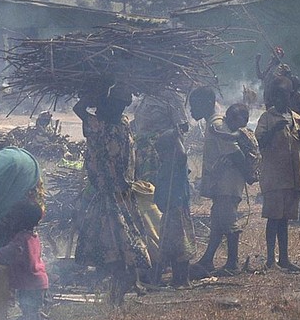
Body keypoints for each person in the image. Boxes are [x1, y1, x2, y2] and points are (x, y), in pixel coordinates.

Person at [71, 85, 151, 303]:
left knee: (114, 241)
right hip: (122, 192)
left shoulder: (100, 125)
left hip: (111, 193)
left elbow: (79, 108)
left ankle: (121, 285)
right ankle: (128, 281)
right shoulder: (122, 124)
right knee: (124, 238)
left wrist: (94, 94)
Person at [134, 94, 195, 287]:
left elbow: (182, 143)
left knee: (179, 245)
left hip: (176, 207)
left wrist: (175, 138)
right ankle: (162, 276)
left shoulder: (175, 165)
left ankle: (181, 279)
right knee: (167, 242)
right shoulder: (144, 99)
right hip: (167, 206)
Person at [192, 100, 258, 275]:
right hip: (223, 182)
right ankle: (207, 259)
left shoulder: (223, 126)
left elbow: (235, 153)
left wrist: (248, 175)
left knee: (228, 221)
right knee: (218, 221)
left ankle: (232, 263)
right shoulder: (225, 125)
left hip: (227, 183)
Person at [255, 76, 300, 271]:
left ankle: (284, 259)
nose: (280, 99)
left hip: (292, 176)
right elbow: (258, 142)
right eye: (276, 96)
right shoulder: (267, 119)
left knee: (284, 219)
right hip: (274, 176)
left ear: (290, 96)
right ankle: (270, 260)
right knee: (273, 218)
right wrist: (273, 131)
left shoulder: (297, 118)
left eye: (284, 95)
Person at [0, 201, 49, 320]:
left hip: (30, 284)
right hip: (39, 281)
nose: (11, 221)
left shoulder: (21, 239)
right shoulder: (34, 237)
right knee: (32, 311)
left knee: (29, 310)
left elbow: (9, 253)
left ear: (21, 221)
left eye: (14, 218)